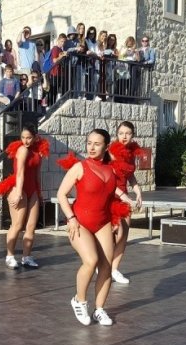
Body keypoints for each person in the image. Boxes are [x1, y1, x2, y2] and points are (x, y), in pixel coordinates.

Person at [56, 129, 133, 327]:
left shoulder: (111, 170)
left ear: (106, 147)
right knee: (91, 261)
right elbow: (61, 194)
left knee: (106, 267)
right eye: (89, 142)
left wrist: (125, 199)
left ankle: (99, 309)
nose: (91, 147)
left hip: (103, 223)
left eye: (97, 144)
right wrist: (71, 218)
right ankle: (79, 300)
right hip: (79, 222)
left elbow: (110, 189)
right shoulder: (79, 167)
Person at [0, 124, 49, 269]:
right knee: (17, 224)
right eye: (23, 137)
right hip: (18, 187)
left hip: (32, 189)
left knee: (31, 226)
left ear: (35, 137)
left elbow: (37, 174)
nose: (25, 141)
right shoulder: (22, 150)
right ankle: (9, 256)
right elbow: (20, 173)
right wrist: (18, 193)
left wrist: (39, 193)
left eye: (29, 138)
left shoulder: (38, 151)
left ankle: (27, 257)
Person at [108, 121, 144, 284]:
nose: (124, 136)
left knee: (124, 234)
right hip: (111, 195)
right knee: (116, 232)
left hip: (124, 195)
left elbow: (130, 175)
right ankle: (104, 264)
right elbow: (108, 179)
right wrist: (123, 196)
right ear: (117, 134)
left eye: (128, 133)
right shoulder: (111, 152)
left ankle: (114, 269)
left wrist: (138, 192)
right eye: (121, 133)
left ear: (132, 135)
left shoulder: (131, 154)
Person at [48, 33, 67, 105]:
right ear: (58, 40)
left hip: (60, 73)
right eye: (62, 41)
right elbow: (54, 60)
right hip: (54, 73)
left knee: (56, 91)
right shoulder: (55, 48)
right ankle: (50, 106)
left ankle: (53, 105)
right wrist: (61, 56)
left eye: (64, 42)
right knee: (53, 91)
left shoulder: (61, 50)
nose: (63, 43)